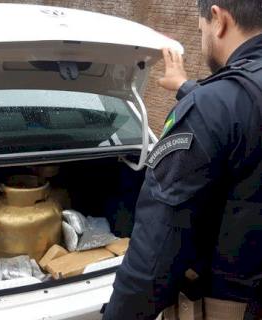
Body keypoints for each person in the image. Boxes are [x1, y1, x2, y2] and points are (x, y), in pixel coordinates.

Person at [103, 0, 262, 319]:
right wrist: (188, 89)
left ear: (218, 20)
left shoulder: (211, 107)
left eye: (201, 29)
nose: (202, 36)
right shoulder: (221, 103)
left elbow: (153, 260)